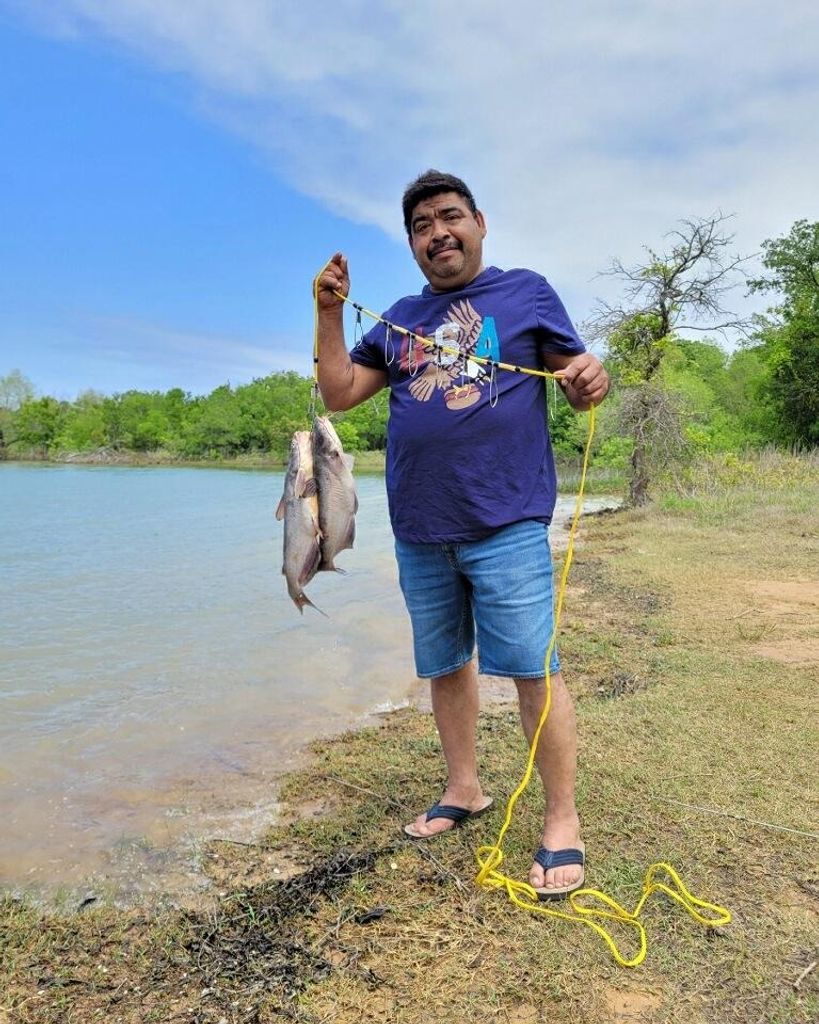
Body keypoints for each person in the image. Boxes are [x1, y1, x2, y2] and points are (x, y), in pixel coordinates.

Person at [315, 170, 609, 899]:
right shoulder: (399, 318)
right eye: (421, 226)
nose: (437, 233)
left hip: (505, 520)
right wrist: (327, 312)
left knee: (533, 670)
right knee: (446, 666)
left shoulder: (526, 292)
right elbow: (339, 394)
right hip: (420, 526)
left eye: (449, 217)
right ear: (412, 244)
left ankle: (562, 819)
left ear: (478, 223)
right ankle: (463, 788)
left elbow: (575, 378)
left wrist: (586, 380)